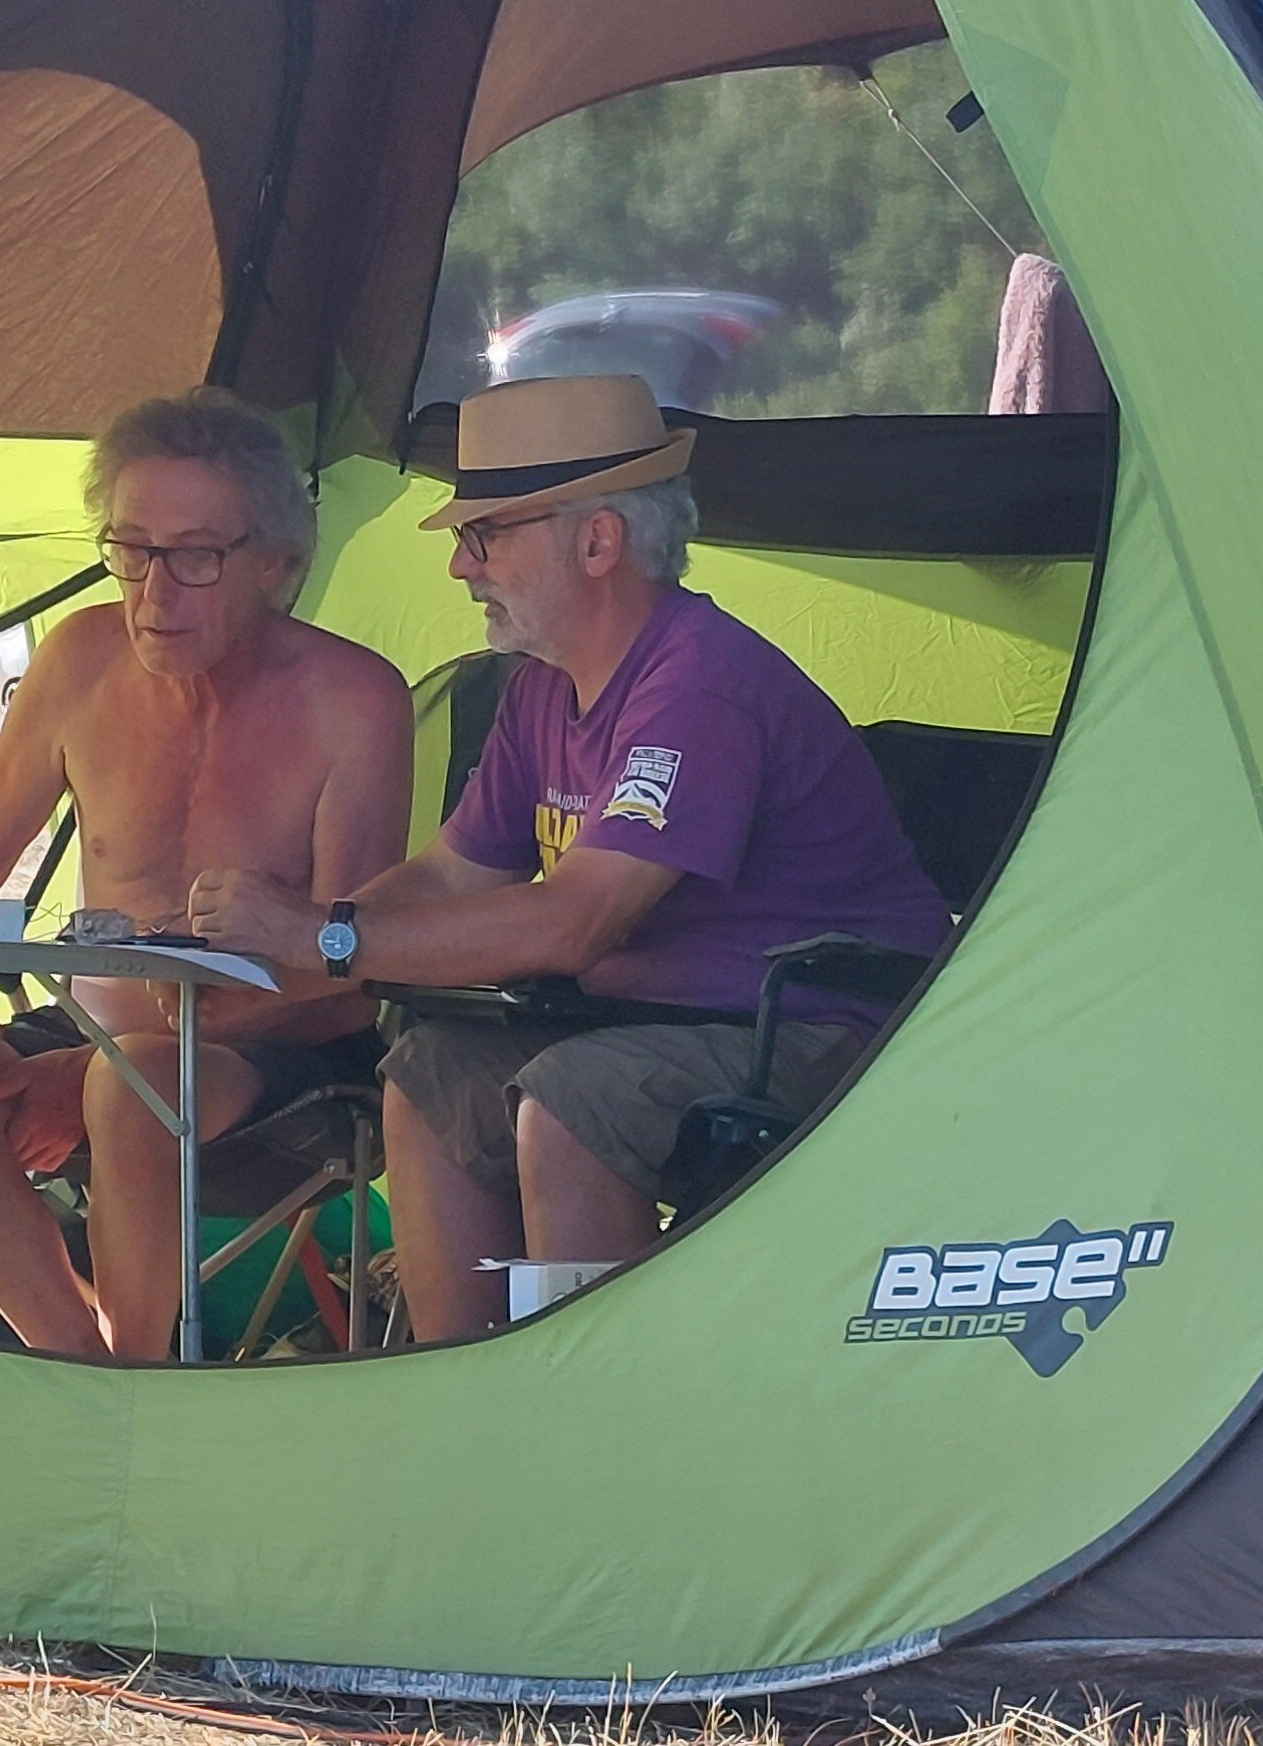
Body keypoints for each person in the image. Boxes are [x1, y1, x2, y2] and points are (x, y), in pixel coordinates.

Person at [197, 374, 951, 1339]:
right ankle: (459, 1385)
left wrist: (323, 940)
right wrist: (271, 959)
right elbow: (449, 876)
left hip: (828, 1029)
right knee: (431, 1075)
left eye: (484, 537)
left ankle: (591, 1402)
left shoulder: (697, 686)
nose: (459, 568)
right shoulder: (543, 689)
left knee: (573, 1101)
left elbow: (575, 923)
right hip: (665, 1022)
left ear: (598, 542)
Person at [0, 390, 412, 1358]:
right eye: (131, 550)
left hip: (281, 1060)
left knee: (135, 1090)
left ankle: (131, 1369)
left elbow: (351, 969)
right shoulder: (79, 659)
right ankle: (83, 1367)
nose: (155, 593)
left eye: (196, 557)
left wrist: (99, 1068)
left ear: (275, 563)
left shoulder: (353, 697)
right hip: (94, 1038)